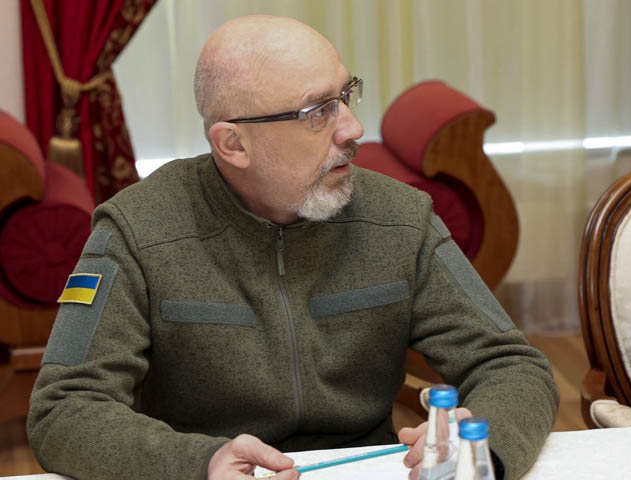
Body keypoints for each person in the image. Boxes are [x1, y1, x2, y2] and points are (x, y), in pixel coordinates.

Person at [27, 15, 558, 480]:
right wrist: (196, 464)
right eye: (317, 112)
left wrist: (483, 445)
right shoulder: (138, 230)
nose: (352, 128)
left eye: (345, 96)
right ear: (233, 144)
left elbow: (510, 364)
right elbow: (65, 408)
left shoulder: (401, 219)